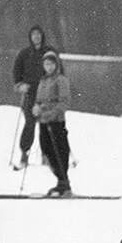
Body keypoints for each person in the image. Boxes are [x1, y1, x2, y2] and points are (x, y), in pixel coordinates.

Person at [12, 25, 55, 169]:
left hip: (46, 92)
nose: (36, 37)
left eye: (38, 34)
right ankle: (24, 154)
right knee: (30, 122)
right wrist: (20, 85)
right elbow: (16, 71)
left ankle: (46, 156)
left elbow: (59, 70)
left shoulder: (49, 52)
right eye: (33, 34)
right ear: (30, 37)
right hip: (29, 93)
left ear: (42, 36)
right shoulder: (25, 53)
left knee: (45, 123)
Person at [33, 49, 73, 196]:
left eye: (52, 64)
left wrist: (52, 113)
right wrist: (36, 109)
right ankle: (60, 181)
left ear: (57, 65)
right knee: (46, 149)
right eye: (46, 64)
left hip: (56, 121)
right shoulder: (43, 80)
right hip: (43, 121)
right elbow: (38, 100)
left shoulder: (61, 80)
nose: (49, 67)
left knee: (59, 150)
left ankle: (64, 182)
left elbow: (64, 102)